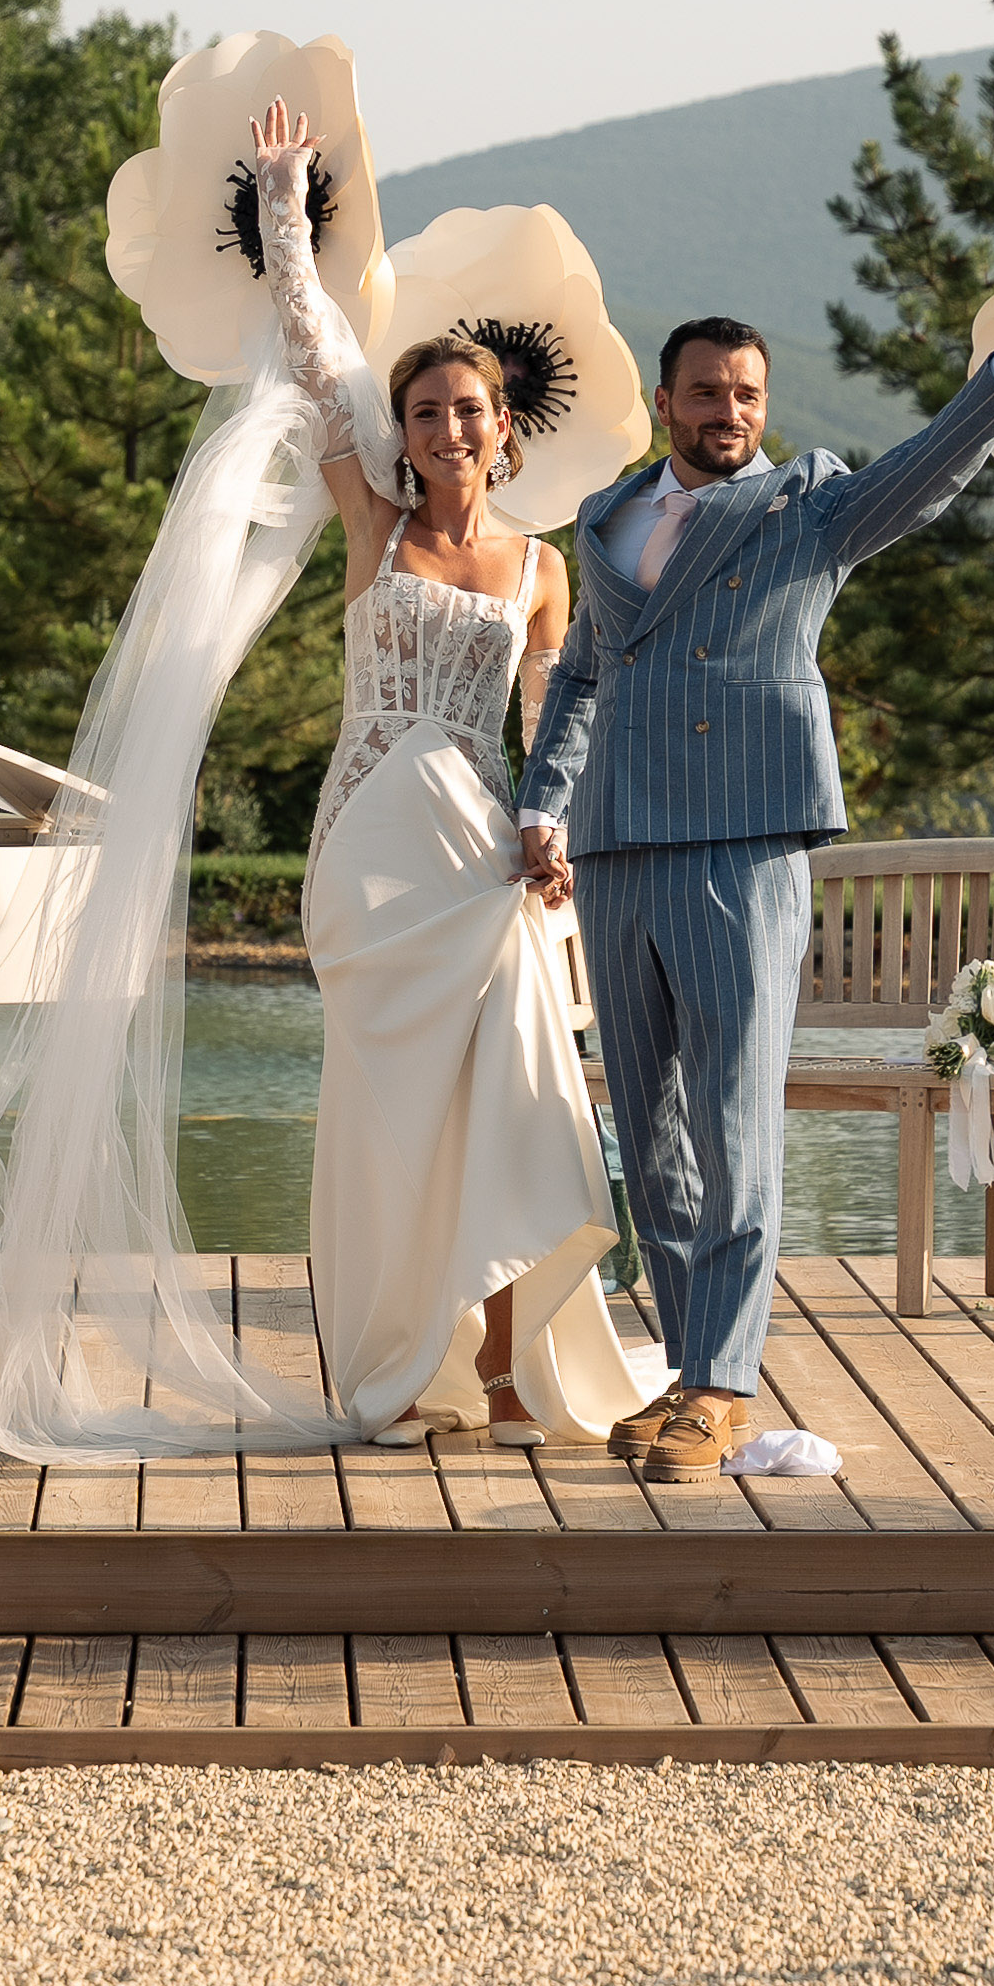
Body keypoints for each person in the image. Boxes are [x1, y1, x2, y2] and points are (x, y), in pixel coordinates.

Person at [513, 241, 994, 1483]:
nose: (730, 412)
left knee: (733, 1124)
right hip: (616, 844)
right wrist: (543, 804)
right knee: (652, 1133)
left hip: (740, 843)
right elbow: (575, 678)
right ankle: (689, 1370)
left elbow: (927, 467)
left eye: (748, 394)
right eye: (708, 393)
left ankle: (725, 1381)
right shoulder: (607, 516)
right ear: (666, 403)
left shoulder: (806, 510)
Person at [239, 101, 649, 1443]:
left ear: (500, 424)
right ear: (403, 431)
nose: (447, 425)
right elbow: (313, 355)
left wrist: (555, 835)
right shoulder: (373, 518)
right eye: (424, 409)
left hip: (481, 858)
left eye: (467, 406)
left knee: (514, 1102)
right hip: (371, 847)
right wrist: (285, 206)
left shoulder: (541, 571)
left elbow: (554, 729)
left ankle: (496, 1370)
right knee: (394, 1121)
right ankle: (407, 1371)